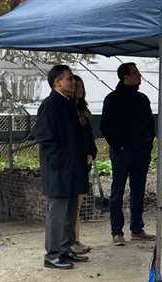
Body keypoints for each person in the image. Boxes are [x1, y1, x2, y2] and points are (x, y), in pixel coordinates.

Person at [36, 65, 89, 269]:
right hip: (59, 171)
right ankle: (52, 254)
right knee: (57, 213)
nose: (73, 82)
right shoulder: (51, 105)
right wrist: (60, 162)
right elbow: (46, 138)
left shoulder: (68, 104)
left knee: (69, 212)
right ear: (58, 82)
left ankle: (65, 249)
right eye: (69, 79)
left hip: (73, 169)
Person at [100, 62, 156, 246]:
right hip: (122, 153)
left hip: (141, 152)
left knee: (138, 190)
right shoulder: (112, 99)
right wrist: (120, 146)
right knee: (117, 192)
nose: (139, 76)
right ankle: (117, 232)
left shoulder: (142, 99)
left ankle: (137, 229)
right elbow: (106, 127)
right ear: (126, 77)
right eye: (136, 73)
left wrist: (148, 145)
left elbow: (150, 125)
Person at [71, 75, 97, 254]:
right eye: (76, 86)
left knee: (77, 206)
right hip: (73, 163)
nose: (79, 89)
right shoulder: (68, 110)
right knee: (72, 206)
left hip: (83, 162)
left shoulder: (84, 111)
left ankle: (76, 239)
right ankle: (72, 240)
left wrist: (91, 153)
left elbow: (89, 137)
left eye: (81, 86)